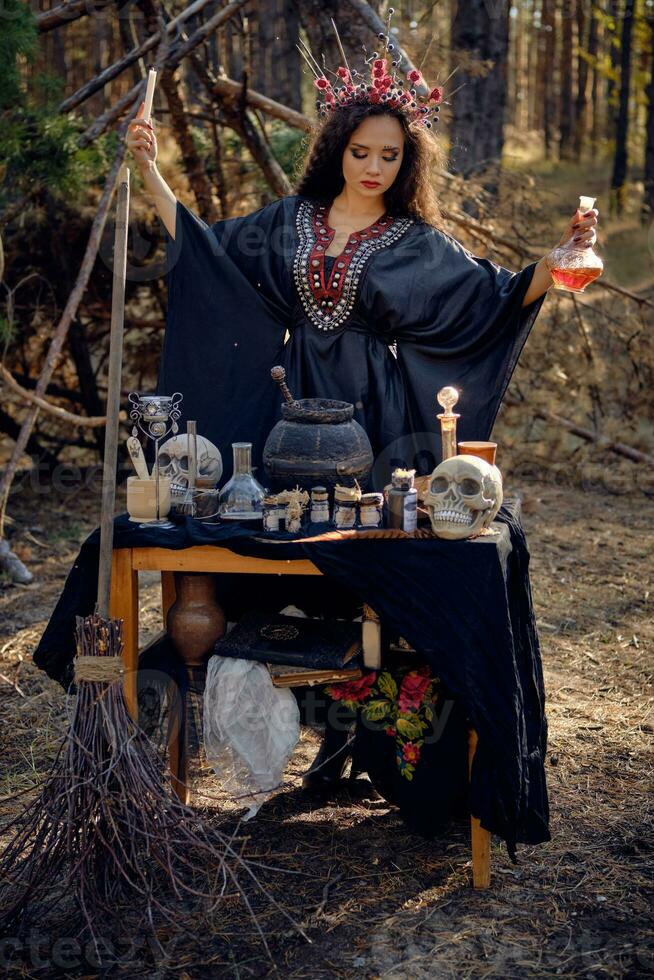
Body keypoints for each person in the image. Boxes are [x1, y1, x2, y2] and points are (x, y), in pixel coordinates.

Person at [126, 50, 598, 797]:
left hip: (375, 414)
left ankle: (369, 738)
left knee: (365, 566)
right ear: (336, 149)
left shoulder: (414, 242)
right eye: (360, 151)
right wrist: (149, 172)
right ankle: (304, 720)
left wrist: (562, 254)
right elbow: (209, 252)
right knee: (290, 556)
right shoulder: (290, 222)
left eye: (390, 155)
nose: (374, 166)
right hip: (287, 408)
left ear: (406, 162)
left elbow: (494, 298)